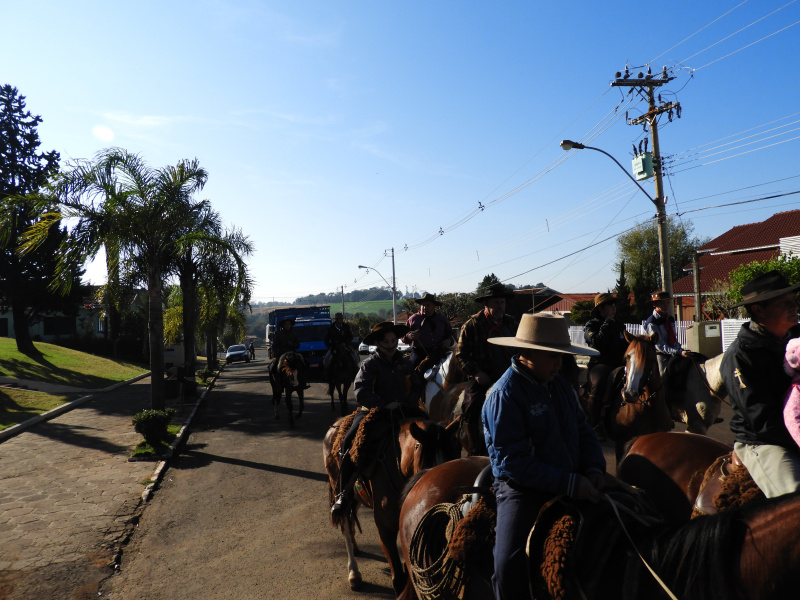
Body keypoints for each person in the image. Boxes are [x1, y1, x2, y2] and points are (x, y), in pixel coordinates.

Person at [482, 313, 605, 600]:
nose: (559, 363)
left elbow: (583, 430)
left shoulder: (560, 385)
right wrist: (571, 484)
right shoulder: (505, 395)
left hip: (576, 478)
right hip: (521, 489)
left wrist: (595, 469)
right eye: (552, 356)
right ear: (527, 353)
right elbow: (513, 462)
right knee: (507, 563)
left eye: (561, 356)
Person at [331, 321, 424, 516]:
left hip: (403, 410)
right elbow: (361, 391)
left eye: (393, 341)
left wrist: (408, 402)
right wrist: (382, 405)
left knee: (432, 433)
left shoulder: (405, 363)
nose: (391, 346)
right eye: (386, 342)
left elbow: (416, 386)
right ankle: (343, 494)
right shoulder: (369, 364)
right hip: (374, 412)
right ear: (377, 344)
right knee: (349, 441)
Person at [722, 270, 800, 498]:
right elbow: (762, 420)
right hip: (766, 443)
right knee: (795, 502)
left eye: (794, 301)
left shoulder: (795, 338)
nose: (794, 307)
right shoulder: (740, 356)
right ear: (758, 310)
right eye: (784, 303)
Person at [455, 283, 519, 454]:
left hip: (511, 373)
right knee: (471, 404)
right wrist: (476, 373)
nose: (501, 306)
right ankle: (474, 446)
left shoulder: (512, 322)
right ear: (486, 304)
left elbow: (522, 349)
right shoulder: (472, 325)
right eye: (496, 302)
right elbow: (461, 354)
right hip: (484, 375)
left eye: (503, 302)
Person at [583, 293, 628, 439]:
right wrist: (607, 324)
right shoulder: (591, 325)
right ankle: (594, 424)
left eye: (614, 305)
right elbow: (597, 344)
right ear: (600, 308)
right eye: (610, 305)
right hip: (601, 363)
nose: (613, 308)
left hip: (620, 363)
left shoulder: (619, 324)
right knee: (599, 382)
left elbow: (625, 344)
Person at [402, 293, 455, 370]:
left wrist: (449, 340)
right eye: (423, 305)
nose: (424, 307)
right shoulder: (413, 319)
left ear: (434, 306)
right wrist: (409, 336)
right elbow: (403, 336)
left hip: (440, 352)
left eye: (428, 305)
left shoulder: (442, 319)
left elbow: (451, 334)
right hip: (419, 353)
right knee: (411, 371)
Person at [644, 291, 690, 376]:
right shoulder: (652, 322)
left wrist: (679, 349)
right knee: (663, 376)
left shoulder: (670, 319)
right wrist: (678, 352)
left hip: (673, 351)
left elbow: (673, 339)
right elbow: (659, 345)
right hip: (659, 353)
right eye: (662, 303)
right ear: (655, 305)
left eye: (668, 303)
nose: (666, 305)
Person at [272, 318, 310, 389]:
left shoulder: (294, 334)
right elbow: (274, 346)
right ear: (283, 325)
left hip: (293, 353)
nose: (287, 326)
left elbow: (298, 345)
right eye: (286, 324)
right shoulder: (279, 334)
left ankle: (303, 382)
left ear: (291, 325)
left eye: (289, 324)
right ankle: (278, 384)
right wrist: (275, 354)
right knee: (273, 367)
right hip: (282, 354)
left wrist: (292, 344)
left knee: (305, 364)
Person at [323, 313, 356, 380]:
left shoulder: (346, 327)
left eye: (342, 318)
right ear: (336, 319)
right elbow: (326, 339)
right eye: (340, 318)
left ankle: (355, 372)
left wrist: (345, 343)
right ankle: (327, 374)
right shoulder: (331, 328)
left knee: (355, 356)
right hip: (334, 347)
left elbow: (350, 337)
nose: (341, 319)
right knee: (326, 359)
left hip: (345, 346)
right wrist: (329, 346)